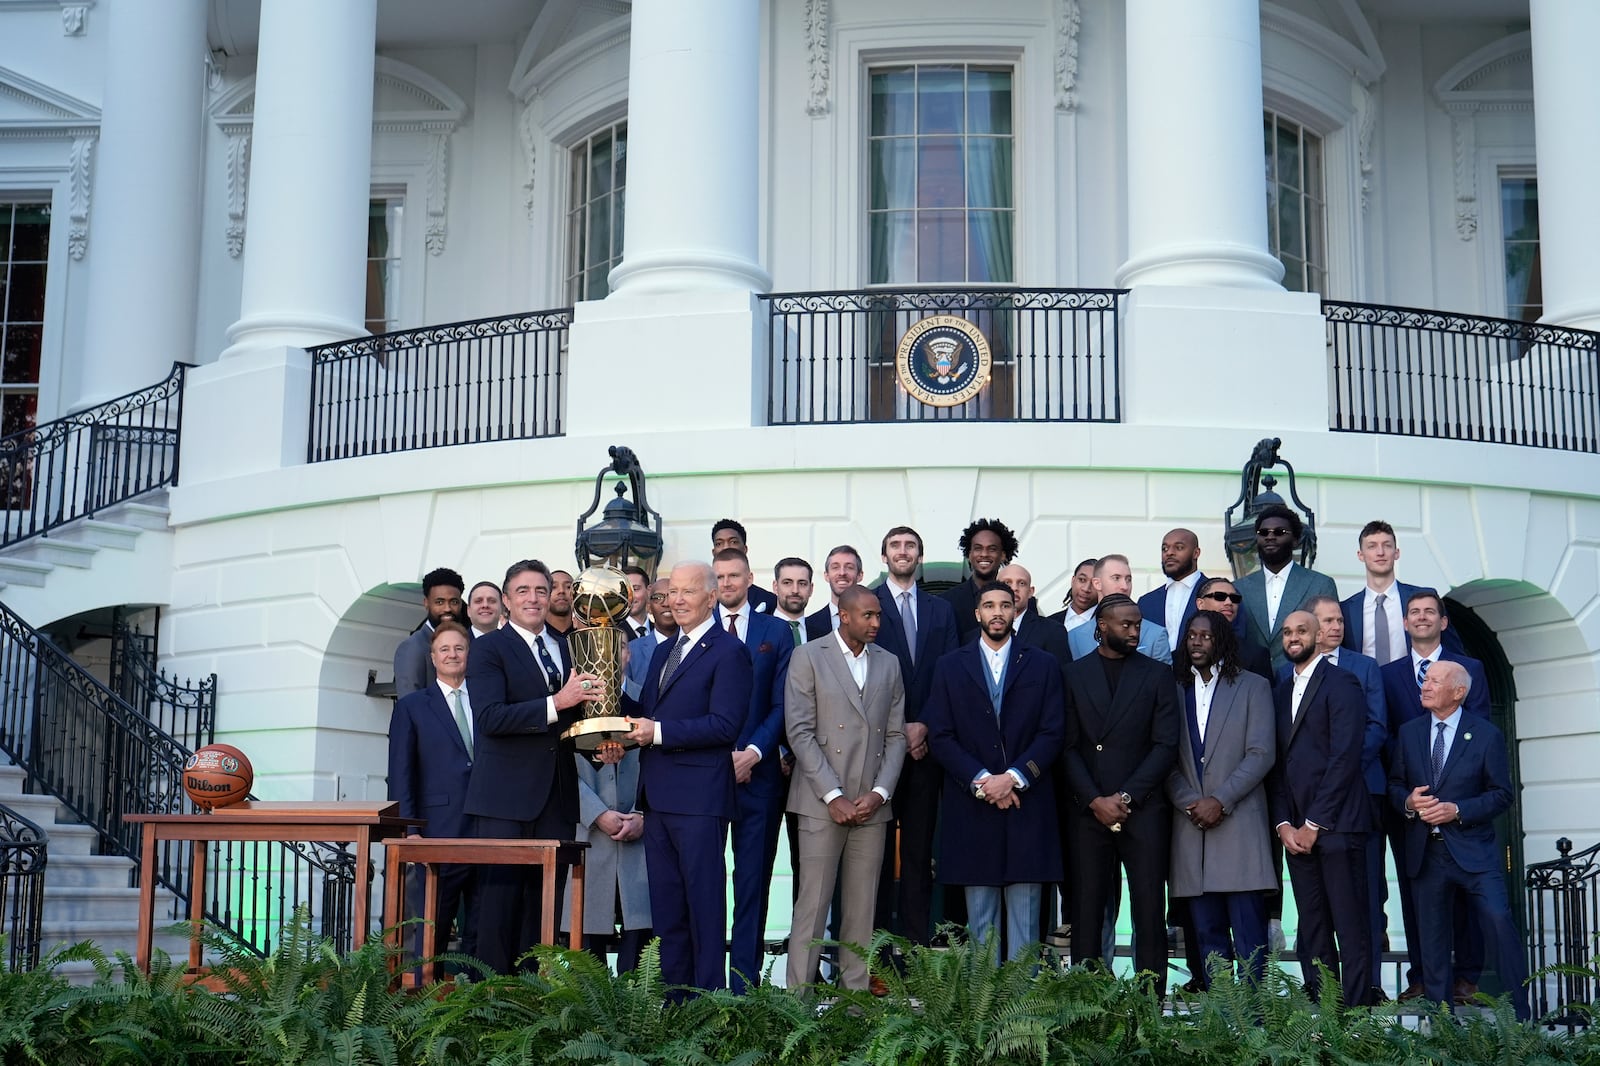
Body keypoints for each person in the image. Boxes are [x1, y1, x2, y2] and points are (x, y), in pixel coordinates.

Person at [462, 560, 605, 975]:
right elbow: (489, 718)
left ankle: (533, 1000)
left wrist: (601, 746)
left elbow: (575, 719)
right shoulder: (489, 648)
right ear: (506, 600)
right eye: (523, 590)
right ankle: (488, 998)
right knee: (497, 908)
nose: (534, 598)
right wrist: (555, 703)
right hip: (503, 801)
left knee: (543, 909)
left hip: (556, 798)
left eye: (541, 590)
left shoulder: (566, 645)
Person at [623, 560, 753, 993]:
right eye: (670, 592)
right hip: (657, 799)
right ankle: (675, 1005)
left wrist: (655, 733)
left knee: (704, 909)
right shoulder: (662, 649)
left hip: (700, 800)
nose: (675, 600)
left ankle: (709, 1006)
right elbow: (646, 715)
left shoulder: (729, 651)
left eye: (687, 592)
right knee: (668, 912)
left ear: (711, 597)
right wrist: (611, 716)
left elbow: (724, 725)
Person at [925, 581, 1065, 962]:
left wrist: (1015, 777)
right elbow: (940, 734)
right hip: (973, 806)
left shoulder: (1042, 663)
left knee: (1026, 916)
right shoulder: (950, 665)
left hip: (1027, 804)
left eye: (1005, 605)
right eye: (989, 605)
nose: (998, 612)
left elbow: (1053, 731)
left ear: (1016, 610)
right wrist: (982, 781)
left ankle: (1024, 1013)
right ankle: (986, 1010)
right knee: (981, 919)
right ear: (977, 613)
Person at [1388, 660, 1529, 1021]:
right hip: (1427, 854)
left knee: (1498, 923)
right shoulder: (1409, 732)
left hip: (1475, 854)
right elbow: (1395, 786)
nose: (1426, 685)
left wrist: (1457, 810)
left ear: (1458, 692)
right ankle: (1440, 1024)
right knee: (1432, 943)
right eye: (1426, 680)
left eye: (1435, 681)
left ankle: (1521, 1015)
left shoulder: (1485, 734)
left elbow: (1501, 794)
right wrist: (1408, 802)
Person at [784, 584, 907, 992]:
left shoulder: (888, 663)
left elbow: (896, 735)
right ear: (844, 614)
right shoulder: (808, 656)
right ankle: (797, 1004)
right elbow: (799, 731)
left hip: (872, 805)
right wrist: (833, 795)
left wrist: (880, 793)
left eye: (878, 616)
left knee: (861, 911)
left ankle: (855, 1005)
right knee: (812, 908)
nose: (876, 623)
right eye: (868, 615)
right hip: (822, 803)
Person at [1060, 594, 1179, 995]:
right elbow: (1067, 746)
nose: (1134, 631)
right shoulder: (1073, 675)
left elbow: (1165, 745)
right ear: (1101, 626)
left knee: (1148, 909)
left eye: (1138, 624)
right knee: (1087, 909)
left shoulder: (1157, 675)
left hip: (1142, 811)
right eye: (1125, 624)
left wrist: (1125, 797)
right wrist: (1095, 800)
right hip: (1088, 810)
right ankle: (1087, 1000)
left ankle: (1151, 1001)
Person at [1379, 589, 1490, 1000]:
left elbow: (1481, 734)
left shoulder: (1470, 667)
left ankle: (1467, 978)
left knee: (1467, 891)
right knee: (1415, 893)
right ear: (1405, 623)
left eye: (1430, 612)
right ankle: (1423, 977)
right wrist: (1410, 792)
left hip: (1461, 803)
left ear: (1444, 622)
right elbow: (1386, 733)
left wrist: (1453, 797)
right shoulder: (1388, 675)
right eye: (1414, 613)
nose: (1422, 617)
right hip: (1410, 801)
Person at [1267, 609, 1374, 1007]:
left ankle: (1357, 1011)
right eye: (1288, 632)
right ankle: (1322, 1004)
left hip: (1338, 826)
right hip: (1294, 831)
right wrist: (1283, 824)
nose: (1293, 637)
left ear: (1320, 636)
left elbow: (1344, 758)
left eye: (1302, 630)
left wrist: (1314, 823)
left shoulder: (1342, 683)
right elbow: (1277, 764)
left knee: (1350, 924)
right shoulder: (1279, 691)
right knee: (1312, 924)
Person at [1165, 612, 1275, 986]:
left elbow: (1261, 753)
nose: (1196, 642)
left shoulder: (1253, 687)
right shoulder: (1171, 688)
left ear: (1223, 642)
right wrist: (1189, 801)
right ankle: (1219, 1027)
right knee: (1207, 939)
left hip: (1238, 826)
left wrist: (1220, 800)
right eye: (1191, 636)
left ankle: (1255, 1026)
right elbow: (1163, 755)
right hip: (1190, 827)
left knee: (1249, 941)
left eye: (1205, 636)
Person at [1290, 594, 1388, 995]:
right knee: (1313, 915)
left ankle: (1360, 998)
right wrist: (1288, 820)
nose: (1335, 627)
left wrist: (1339, 775)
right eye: (1325, 621)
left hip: (1349, 806)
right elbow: (1286, 753)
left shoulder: (1354, 673)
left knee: (1358, 909)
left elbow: (1368, 733)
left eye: (1338, 621)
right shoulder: (1286, 680)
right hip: (1300, 817)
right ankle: (1322, 994)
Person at [712, 547, 795, 992]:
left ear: (749, 579)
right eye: (720, 576)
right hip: (706, 776)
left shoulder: (776, 632)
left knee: (751, 884)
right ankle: (705, 986)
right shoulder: (698, 630)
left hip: (758, 778)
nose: (726, 583)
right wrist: (721, 757)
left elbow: (784, 703)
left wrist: (754, 753)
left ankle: (744, 988)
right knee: (705, 883)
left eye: (734, 575)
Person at [872, 525, 959, 946]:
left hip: (926, 751)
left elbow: (952, 676)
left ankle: (916, 952)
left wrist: (923, 724)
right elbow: (865, 676)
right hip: (878, 751)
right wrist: (899, 727)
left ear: (920, 557)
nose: (903, 552)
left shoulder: (940, 611)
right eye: (895, 546)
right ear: (884, 556)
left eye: (910, 546)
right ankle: (876, 956)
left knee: (920, 855)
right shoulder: (870, 608)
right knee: (877, 857)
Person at [387, 620, 479, 970]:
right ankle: (425, 998)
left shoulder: (485, 701)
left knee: (481, 925)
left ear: (468, 653)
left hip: (485, 829)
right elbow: (401, 773)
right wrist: (410, 831)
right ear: (433, 657)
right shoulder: (412, 706)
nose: (452, 654)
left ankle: (477, 998)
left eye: (459, 648)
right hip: (436, 830)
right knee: (431, 924)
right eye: (445, 649)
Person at [564, 745, 652, 974]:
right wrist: (595, 813)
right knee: (585, 945)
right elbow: (556, 763)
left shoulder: (647, 707)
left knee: (643, 941)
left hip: (644, 842)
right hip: (584, 836)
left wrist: (643, 813)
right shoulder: (563, 713)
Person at [1341, 519, 1463, 663]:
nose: (1380, 552)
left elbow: (1454, 652)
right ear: (1360, 555)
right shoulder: (1347, 609)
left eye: (1387, 546)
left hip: (1414, 684)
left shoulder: (1424, 599)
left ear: (1396, 553)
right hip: (1365, 685)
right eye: (1372, 546)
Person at [1235, 505, 1338, 674]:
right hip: (1251, 685)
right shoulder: (1238, 588)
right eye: (1263, 533)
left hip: (1302, 681)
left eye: (1279, 532)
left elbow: (1328, 641)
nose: (1270, 536)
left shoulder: (1321, 584)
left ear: (1296, 540)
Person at [1066, 555, 1172, 663]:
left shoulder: (1155, 635)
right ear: (1097, 583)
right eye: (1116, 578)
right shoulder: (1075, 636)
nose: (1125, 586)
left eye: (1128, 579)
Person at [943, 519, 1019, 643]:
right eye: (978, 548)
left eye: (992, 549)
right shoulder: (947, 602)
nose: (984, 554)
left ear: (1003, 555)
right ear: (969, 554)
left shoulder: (1020, 600)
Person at [394, 566, 465, 697]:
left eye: (454, 602)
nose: (447, 608)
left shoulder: (466, 643)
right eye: (439, 602)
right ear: (426, 603)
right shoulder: (413, 647)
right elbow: (409, 705)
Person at [1137, 528, 1207, 650]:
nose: (1169, 553)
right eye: (1164, 548)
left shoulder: (1219, 594)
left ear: (1196, 553)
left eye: (1179, 547)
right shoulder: (1146, 602)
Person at [1194, 576, 1273, 681]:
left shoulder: (1255, 655)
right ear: (1200, 604)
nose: (1229, 603)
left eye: (1234, 599)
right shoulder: (1182, 654)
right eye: (1220, 596)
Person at [994, 564, 1073, 669]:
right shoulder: (976, 634)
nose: (1014, 588)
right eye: (1007, 582)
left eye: (1021, 583)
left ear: (1030, 592)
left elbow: (1061, 677)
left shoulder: (1052, 631)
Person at [624, 577, 677, 702]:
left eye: (672, 596)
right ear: (648, 606)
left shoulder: (696, 645)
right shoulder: (631, 651)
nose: (666, 603)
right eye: (658, 597)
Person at [711, 519, 778, 614]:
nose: (726, 547)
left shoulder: (768, 600)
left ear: (745, 549)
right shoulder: (703, 602)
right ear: (713, 552)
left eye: (733, 542)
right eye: (719, 543)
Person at [806, 545, 863, 640]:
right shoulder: (808, 625)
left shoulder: (876, 622)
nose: (842, 573)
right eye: (835, 567)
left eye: (849, 567)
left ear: (860, 575)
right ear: (826, 576)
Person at [771, 557, 814, 645]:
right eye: (787, 583)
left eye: (802, 584)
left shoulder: (824, 633)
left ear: (811, 589)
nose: (795, 590)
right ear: (775, 587)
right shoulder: (758, 630)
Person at [1048, 558, 1100, 632]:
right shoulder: (1049, 623)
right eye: (1082, 580)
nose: (1086, 589)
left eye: (1094, 583)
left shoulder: (1108, 626)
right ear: (1073, 580)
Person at [622, 565, 651, 640]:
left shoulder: (661, 631)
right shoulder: (612, 633)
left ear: (648, 591)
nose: (630, 596)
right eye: (624, 590)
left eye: (635, 589)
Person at [546, 569, 576, 636]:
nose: (561, 591)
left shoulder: (586, 636)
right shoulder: (534, 636)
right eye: (553, 587)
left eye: (568, 587)